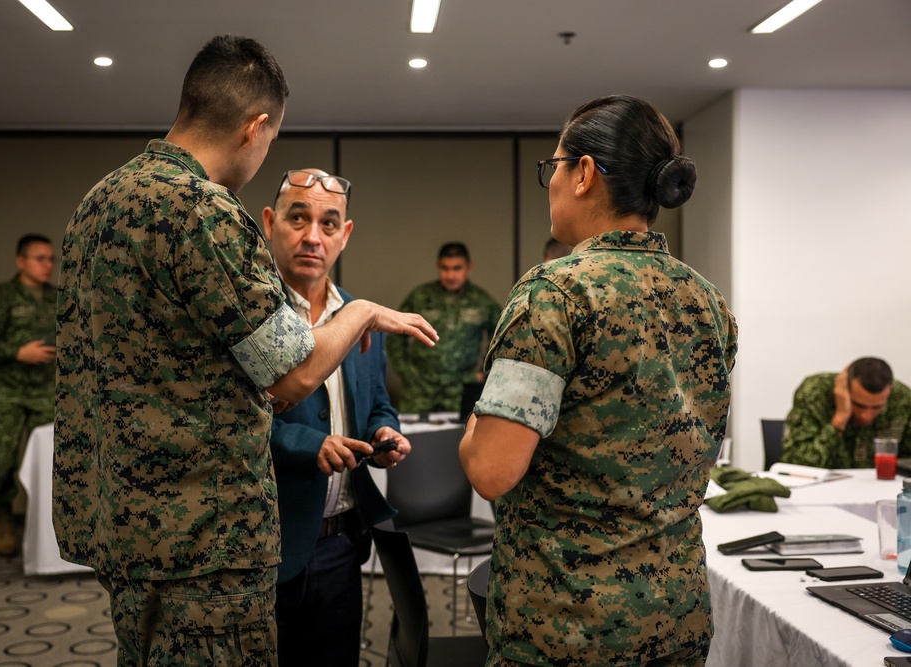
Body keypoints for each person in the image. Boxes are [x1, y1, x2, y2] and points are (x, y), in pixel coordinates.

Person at [53, 36, 436, 666]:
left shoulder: (96, 205)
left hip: (122, 524)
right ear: (255, 128)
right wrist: (365, 309)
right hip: (203, 539)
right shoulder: (201, 210)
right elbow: (292, 377)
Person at [458, 95, 738, 666]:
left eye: (553, 167)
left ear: (584, 173)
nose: (551, 183)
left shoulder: (556, 294)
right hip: (676, 618)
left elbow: (490, 469)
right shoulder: (707, 302)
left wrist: (478, 419)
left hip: (567, 626)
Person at [262, 168, 409, 666]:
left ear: (344, 235)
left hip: (344, 542)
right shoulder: (249, 317)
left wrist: (384, 431)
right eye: (297, 218)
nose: (312, 236)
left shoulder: (363, 316)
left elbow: (376, 402)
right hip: (267, 544)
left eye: (328, 223)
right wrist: (311, 447)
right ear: (270, 223)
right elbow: (236, 423)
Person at [0, 233, 56, 557]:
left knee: (51, 464)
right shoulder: (0, 297)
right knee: (0, 460)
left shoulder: (56, 298)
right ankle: (3, 518)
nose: (47, 265)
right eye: (40, 259)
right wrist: (17, 352)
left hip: (46, 392)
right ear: (21, 261)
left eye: (50, 259)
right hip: (7, 391)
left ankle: (46, 530)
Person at [387, 242, 501, 413]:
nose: (450, 275)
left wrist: (484, 373)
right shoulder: (421, 297)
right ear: (438, 266)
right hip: (421, 389)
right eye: (445, 268)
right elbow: (395, 335)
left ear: (469, 267)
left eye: (457, 268)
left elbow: (501, 337)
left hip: (462, 388)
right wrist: (408, 373)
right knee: (415, 438)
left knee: (462, 437)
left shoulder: (481, 301)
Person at [781, 357, 911, 468]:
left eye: (877, 407)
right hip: (822, 491)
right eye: (859, 405)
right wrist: (840, 418)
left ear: (890, 390)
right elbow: (795, 463)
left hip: (882, 490)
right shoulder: (814, 393)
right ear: (845, 389)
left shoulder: (903, 400)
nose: (865, 415)